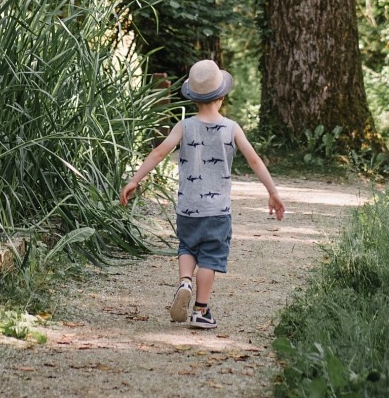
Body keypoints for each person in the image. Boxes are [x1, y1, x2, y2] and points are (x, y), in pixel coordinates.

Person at [119, 59, 285, 330]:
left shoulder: (184, 126)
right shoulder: (231, 128)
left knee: (187, 247)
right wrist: (273, 192)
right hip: (217, 211)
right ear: (221, 96)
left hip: (188, 207)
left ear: (193, 97)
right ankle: (200, 310)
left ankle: (184, 281)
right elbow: (254, 160)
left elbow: (159, 152)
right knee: (209, 257)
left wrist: (134, 180)